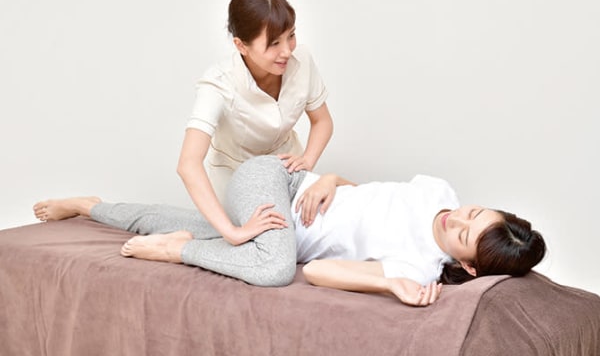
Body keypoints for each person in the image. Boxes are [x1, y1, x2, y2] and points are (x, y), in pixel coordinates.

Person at [33, 156, 546, 307]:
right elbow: (368, 195)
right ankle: (179, 252)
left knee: (167, 221)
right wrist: (330, 179)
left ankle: (89, 205)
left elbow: (318, 270)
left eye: (463, 233)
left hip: (269, 230)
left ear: (468, 267)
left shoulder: (417, 267)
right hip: (277, 181)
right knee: (275, 268)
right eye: (474, 212)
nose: (457, 218)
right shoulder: (438, 191)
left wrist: (389, 283)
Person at [178, 0, 333, 248]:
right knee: (264, 244)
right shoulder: (218, 83)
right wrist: (231, 232)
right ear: (241, 45)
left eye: (291, 36)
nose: (287, 51)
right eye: (274, 43)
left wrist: (307, 160)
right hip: (236, 178)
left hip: (286, 171)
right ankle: (173, 245)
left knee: (314, 233)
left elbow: (322, 121)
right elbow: (188, 164)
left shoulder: (302, 60)